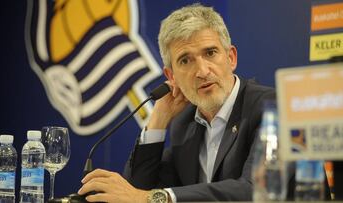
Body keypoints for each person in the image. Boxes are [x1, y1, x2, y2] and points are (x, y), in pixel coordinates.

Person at [77, 3, 275, 202]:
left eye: (210, 53)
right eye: (185, 61)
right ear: (171, 76)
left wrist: (160, 197)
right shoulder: (184, 124)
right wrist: (158, 120)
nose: (202, 71)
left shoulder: (270, 108)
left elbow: (257, 191)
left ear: (231, 58)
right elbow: (136, 191)